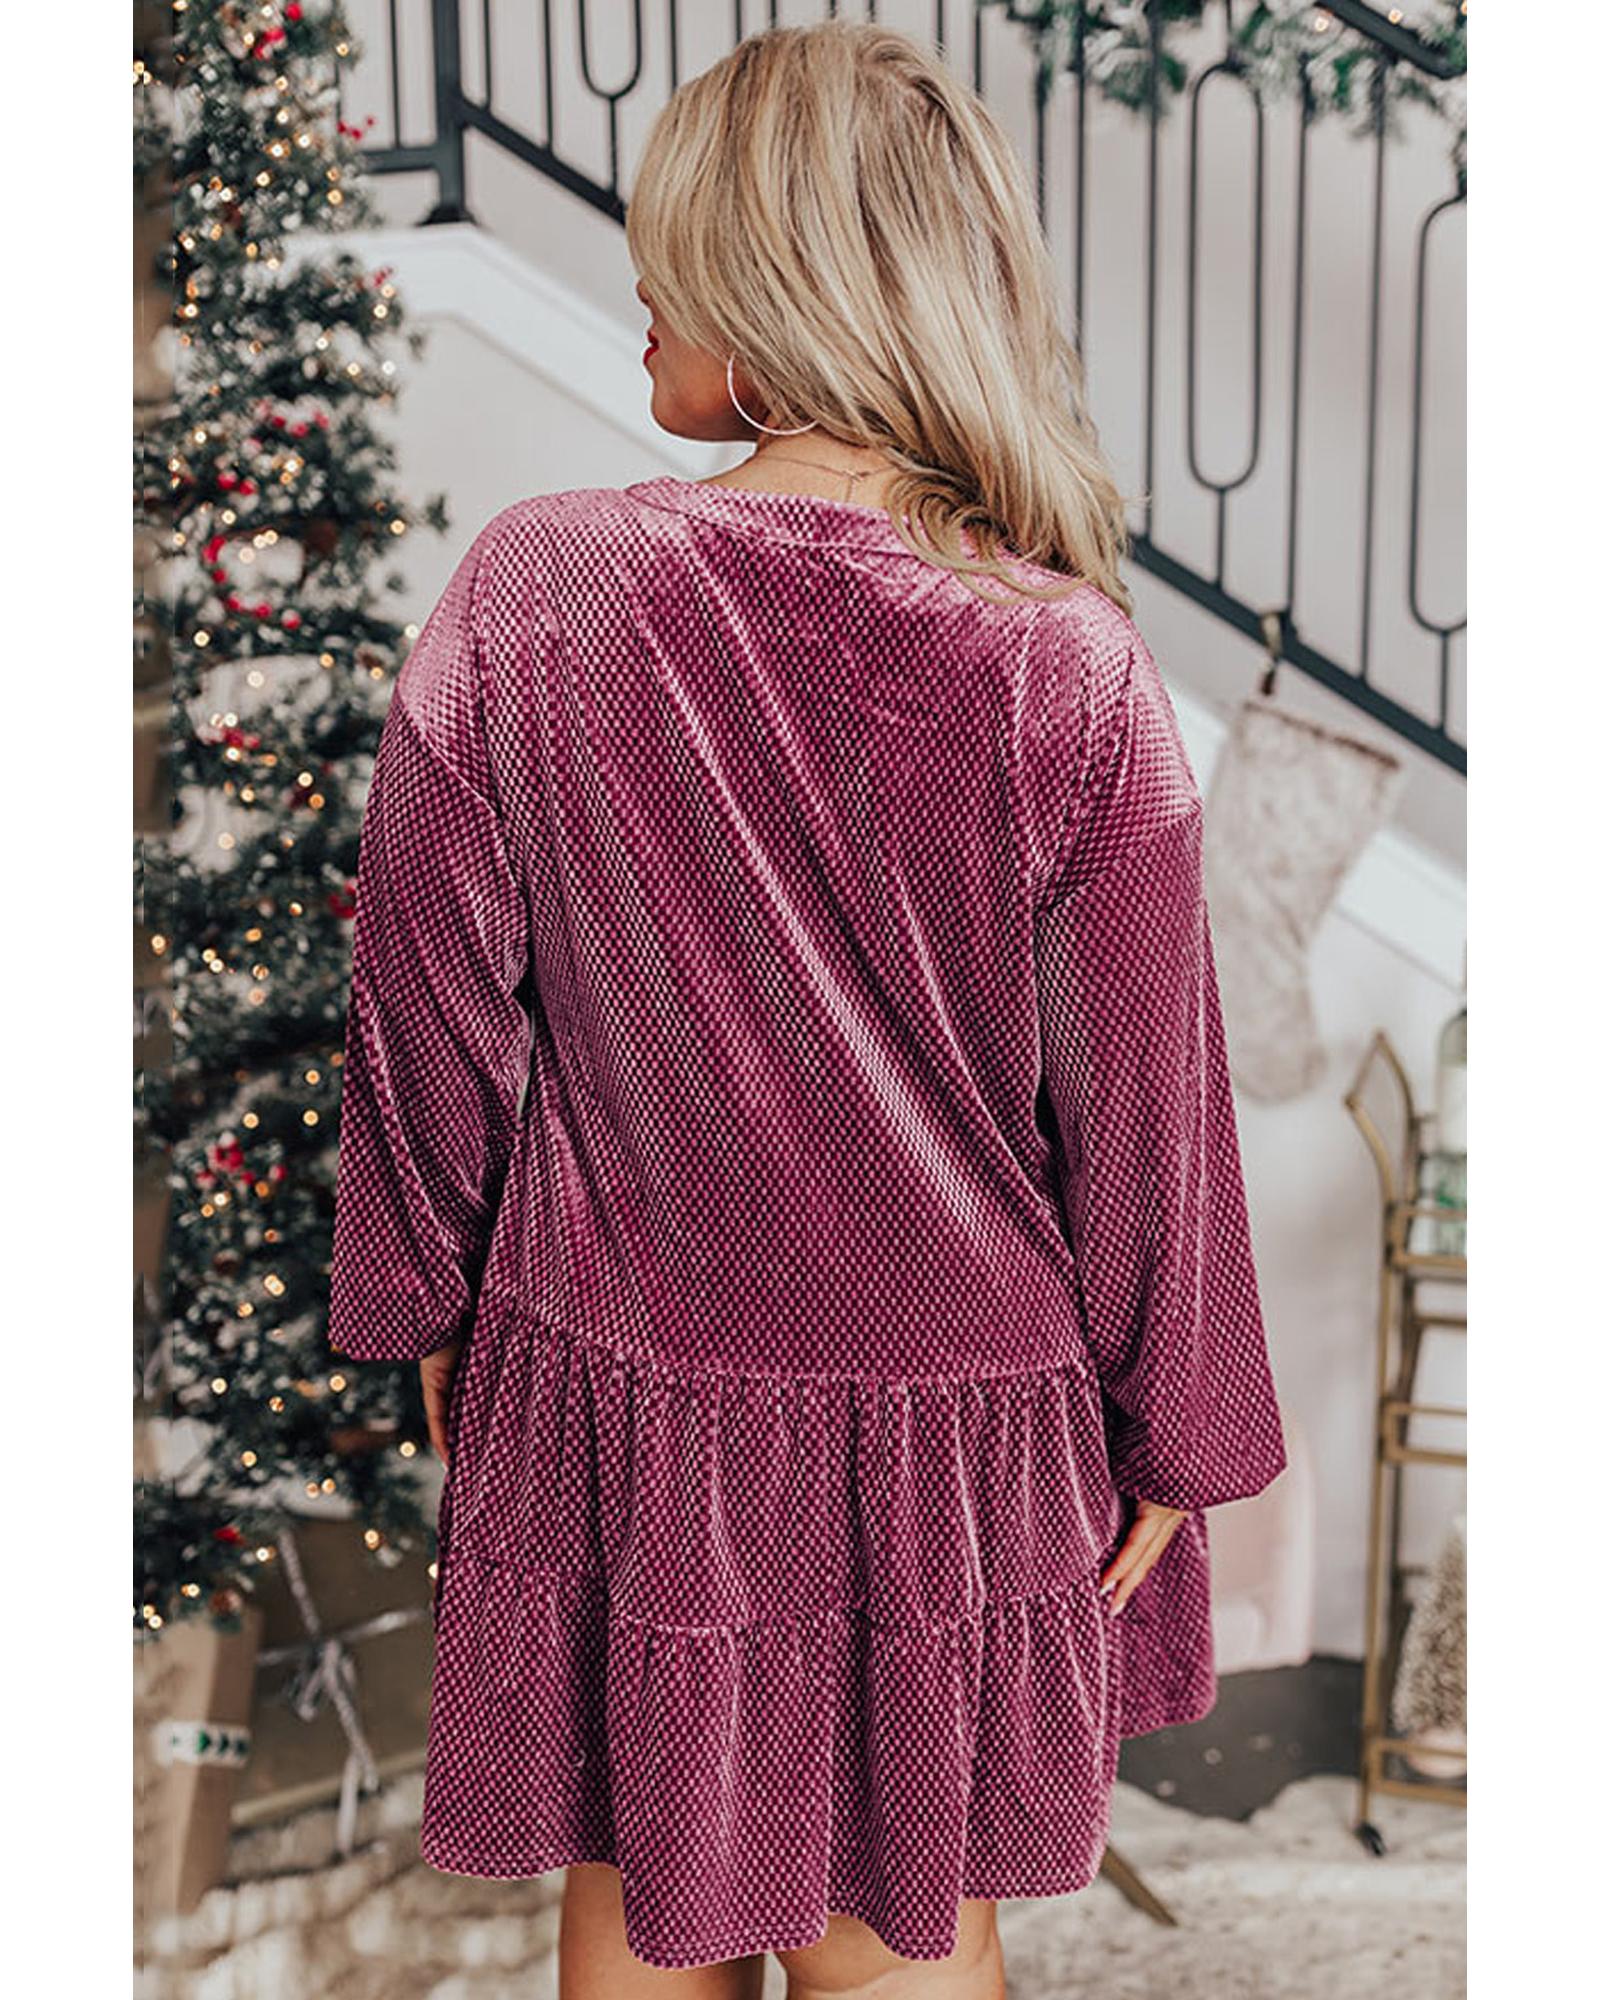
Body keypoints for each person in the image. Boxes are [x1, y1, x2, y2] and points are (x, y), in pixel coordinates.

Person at [326, 19, 1287, 1999]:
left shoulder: (537, 593)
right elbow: (1148, 1116)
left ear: (772, 295)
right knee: (897, 1934)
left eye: (670, 258)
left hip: (628, 1371)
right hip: (950, 1412)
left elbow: (421, 1008)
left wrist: (423, 1301)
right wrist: (1176, 1426)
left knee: (637, 1897)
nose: (639, 296)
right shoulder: (1067, 665)